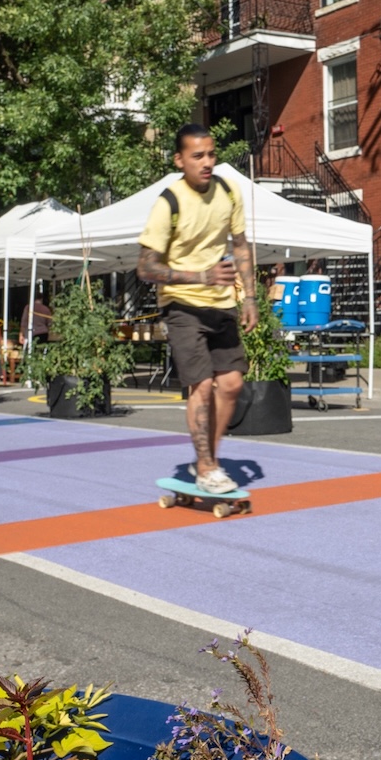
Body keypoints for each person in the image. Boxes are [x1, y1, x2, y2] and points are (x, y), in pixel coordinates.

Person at [138, 123, 255, 495]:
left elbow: (240, 246)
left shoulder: (228, 191)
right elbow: (145, 268)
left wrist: (249, 297)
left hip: (221, 303)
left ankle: (208, 461)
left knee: (232, 384)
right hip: (182, 304)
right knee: (202, 386)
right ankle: (207, 466)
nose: (207, 162)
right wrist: (200, 275)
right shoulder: (168, 203)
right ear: (179, 160)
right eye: (197, 156)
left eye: (211, 154)